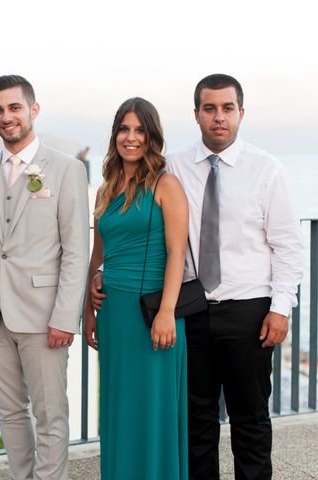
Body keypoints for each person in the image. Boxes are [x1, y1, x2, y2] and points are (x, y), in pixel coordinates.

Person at [91, 75, 304, 479]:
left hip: (249, 310)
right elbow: (142, 225)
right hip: (192, 312)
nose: (218, 117)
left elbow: (288, 247)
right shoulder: (172, 166)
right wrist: (104, 270)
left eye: (227, 108)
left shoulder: (268, 171)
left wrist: (281, 309)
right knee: (196, 425)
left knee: (251, 421)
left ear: (241, 113)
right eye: (210, 109)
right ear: (197, 115)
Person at [0, 75, 89, 480]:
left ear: (33, 110)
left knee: (51, 413)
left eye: (14, 107)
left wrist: (64, 317)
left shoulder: (68, 169)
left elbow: (76, 250)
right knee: (10, 413)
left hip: (43, 315)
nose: (6, 117)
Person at [83, 97, 189, 479]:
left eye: (139, 130)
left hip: (154, 315)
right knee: (120, 409)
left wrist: (166, 313)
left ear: (152, 136)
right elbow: (98, 257)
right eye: (124, 130)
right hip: (114, 316)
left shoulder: (167, 184)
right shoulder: (104, 191)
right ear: (115, 136)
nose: (131, 138)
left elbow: (177, 253)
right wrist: (88, 311)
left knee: (153, 411)